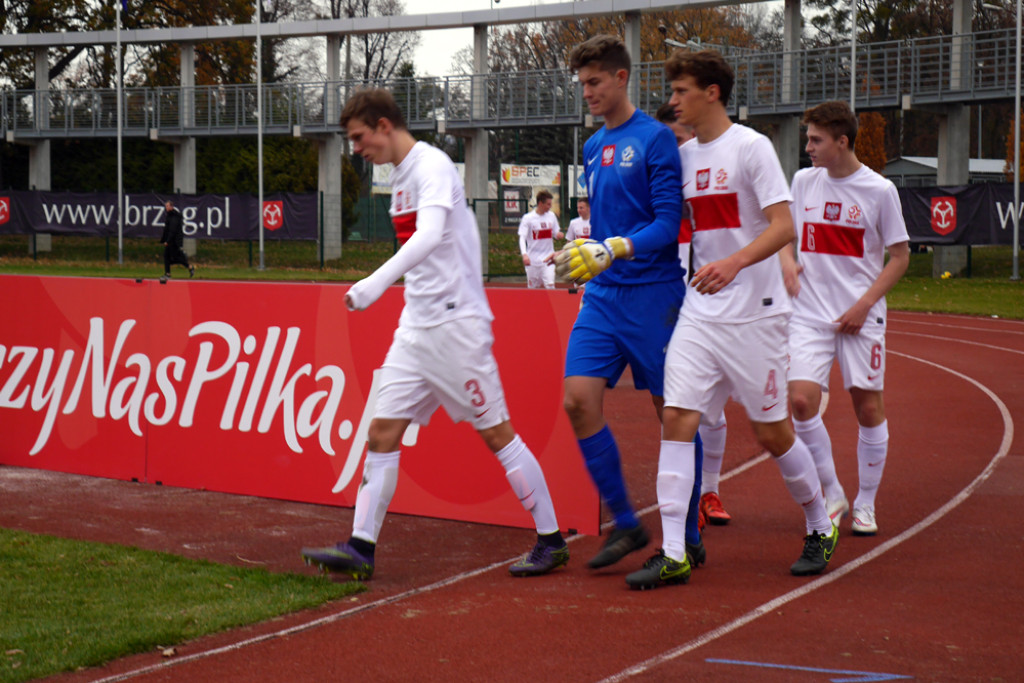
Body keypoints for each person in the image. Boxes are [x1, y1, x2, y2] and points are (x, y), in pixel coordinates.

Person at [301, 88, 568, 580]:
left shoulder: (433, 166)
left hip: (456, 325)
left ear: (384, 125)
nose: (356, 148)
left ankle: (551, 539)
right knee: (382, 432)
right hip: (416, 327)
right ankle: (361, 548)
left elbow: (428, 235)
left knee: (496, 433)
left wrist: (375, 282)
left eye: (359, 137)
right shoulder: (400, 174)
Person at [647, 49, 837, 588]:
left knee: (773, 433)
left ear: (711, 92)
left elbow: (784, 225)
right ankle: (676, 551)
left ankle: (820, 526)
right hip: (701, 312)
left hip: (757, 315)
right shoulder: (683, 159)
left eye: (681, 91)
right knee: (678, 419)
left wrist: (734, 263)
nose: (673, 101)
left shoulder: (751, 147)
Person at [553, 35, 699, 585]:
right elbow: (605, 222)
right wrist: (580, 251)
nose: (587, 92)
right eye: (582, 83)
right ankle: (627, 523)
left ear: (621, 77)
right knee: (577, 401)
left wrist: (615, 247)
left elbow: (667, 224)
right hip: (604, 297)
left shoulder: (658, 139)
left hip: (654, 295)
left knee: (674, 413)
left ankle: (688, 535)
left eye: (594, 81)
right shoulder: (592, 147)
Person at [781, 100, 910, 537]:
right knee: (800, 402)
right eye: (807, 138)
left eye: (816, 139)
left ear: (842, 141)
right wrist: (786, 260)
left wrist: (864, 304)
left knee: (867, 407)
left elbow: (899, 257)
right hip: (810, 314)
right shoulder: (803, 182)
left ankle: (867, 503)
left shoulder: (879, 191)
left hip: (861, 317)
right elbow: (784, 230)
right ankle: (833, 491)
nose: (808, 147)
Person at [655, 101, 733, 531]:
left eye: (680, 140)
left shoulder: (716, 174)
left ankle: (709, 490)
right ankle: (684, 506)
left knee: (713, 414)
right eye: (669, 143)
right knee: (675, 408)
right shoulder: (661, 187)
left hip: (720, 307)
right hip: (670, 307)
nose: (676, 151)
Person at [518, 189, 563, 289]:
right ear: (540, 203)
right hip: (532, 260)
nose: (550, 207)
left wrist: (558, 234)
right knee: (533, 289)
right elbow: (522, 238)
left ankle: (551, 305)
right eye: (548, 204)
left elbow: (555, 232)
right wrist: (524, 254)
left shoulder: (551, 216)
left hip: (548, 259)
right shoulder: (528, 218)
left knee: (550, 286)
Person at [161, 200, 194, 278]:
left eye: (168, 206)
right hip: (172, 240)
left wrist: (167, 241)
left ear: (172, 206)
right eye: (166, 206)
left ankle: (188, 265)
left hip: (174, 241)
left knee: (173, 257)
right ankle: (168, 273)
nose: (166, 207)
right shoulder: (170, 215)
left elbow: (172, 230)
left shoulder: (174, 216)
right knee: (167, 256)